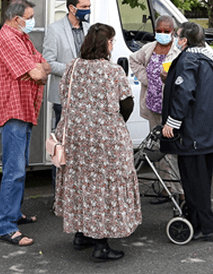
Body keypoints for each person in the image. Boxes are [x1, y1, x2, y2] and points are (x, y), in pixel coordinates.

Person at [54, 23, 142, 262]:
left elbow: (64, 96)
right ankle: (101, 245)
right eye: (112, 41)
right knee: (103, 187)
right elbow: (126, 104)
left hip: (75, 137)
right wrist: (112, 123)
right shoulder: (113, 71)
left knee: (82, 182)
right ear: (106, 44)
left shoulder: (72, 67)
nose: (113, 45)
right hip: (105, 140)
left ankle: (82, 234)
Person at [0, 0, 51, 246]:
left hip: (24, 110)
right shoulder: (7, 40)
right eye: (30, 16)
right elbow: (39, 73)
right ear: (17, 19)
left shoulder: (22, 39)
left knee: (19, 168)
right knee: (13, 171)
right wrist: (37, 70)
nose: (32, 20)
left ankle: (14, 214)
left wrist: (38, 69)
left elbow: (44, 66)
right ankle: (6, 227)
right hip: (13, 111)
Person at [161, 21, 213, 242]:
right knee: (201, 181)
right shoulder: (207, 58)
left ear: (185, 40)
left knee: (193, 182)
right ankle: (199, 222)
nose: (175, 39)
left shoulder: (189, 59)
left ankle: (206, 228)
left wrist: (172, 123)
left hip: (194, 135)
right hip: (208, 133)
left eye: (177, 36)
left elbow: (184, 93)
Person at [129, 15, 184, 204]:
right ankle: (165, 188)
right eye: (159, 30)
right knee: (159, 149)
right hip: (153, 105)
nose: (161, 34)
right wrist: (146, 79)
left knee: (173, 149)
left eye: (166, 31)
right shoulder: (149, 48)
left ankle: (179, 189)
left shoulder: (178, 50)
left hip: (171, 108)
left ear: (173, 31)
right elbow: (133, 61)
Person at [42, 0, 91, 190]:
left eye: (88, 6)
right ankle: (60, 192)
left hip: (87, 99)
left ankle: (79, 191)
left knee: (83, 148)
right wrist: (75, 70)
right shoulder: (55, 29)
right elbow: (48, 63)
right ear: (71, 8)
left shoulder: (90, 29)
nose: (87, 10)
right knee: (62, 147)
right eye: (83, 7)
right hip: (64, 98)